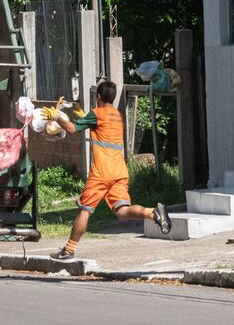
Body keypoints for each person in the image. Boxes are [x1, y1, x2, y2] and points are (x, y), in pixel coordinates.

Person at [42, 80, 171, 261]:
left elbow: (72, 129)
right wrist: (86, 117)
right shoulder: (117, 115)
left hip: (101, 173)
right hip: (119, 172)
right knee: (122, 211)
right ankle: (152, 213)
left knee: (85, 211)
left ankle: (69, 250)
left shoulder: (96, 114)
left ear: (98, 97)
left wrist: (57, 116)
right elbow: (100, 126)